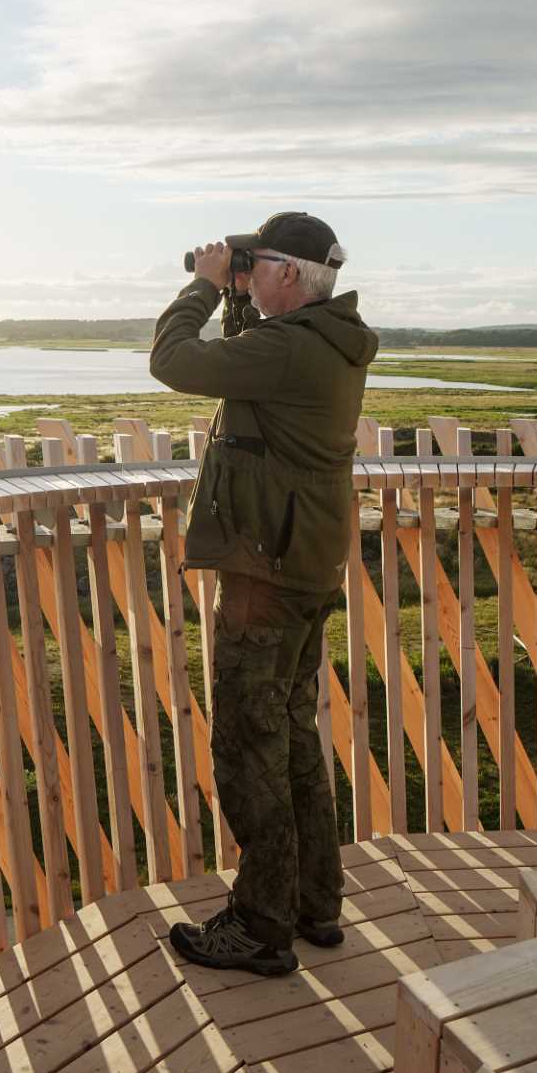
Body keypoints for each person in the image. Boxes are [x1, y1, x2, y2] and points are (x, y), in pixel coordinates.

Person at [148, 211, 378, 976]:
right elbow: (246, 371)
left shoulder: (288, 349)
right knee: (293, 736)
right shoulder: (326, 342)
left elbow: (174, 360)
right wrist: (237, 293)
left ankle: (260, 923)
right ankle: (314, 901)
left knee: (250, 744)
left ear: (286, 273)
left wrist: (203, 286)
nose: (245, 277)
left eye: (257, 266)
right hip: (303, 562)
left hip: (266, 575)